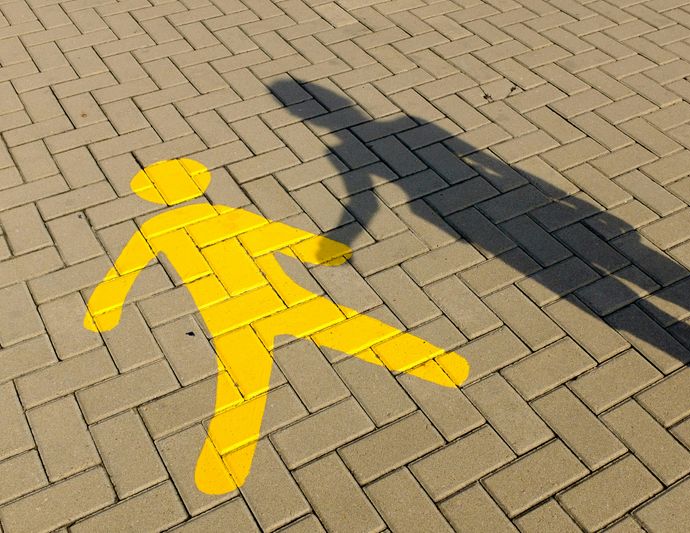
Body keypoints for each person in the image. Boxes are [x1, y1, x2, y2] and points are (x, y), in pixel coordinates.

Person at [83, 158, 469, 494]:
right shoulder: (222, 214)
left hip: (231, 311)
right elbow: (277, 237)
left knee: (242, 385)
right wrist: (325, 251)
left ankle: (223, 463)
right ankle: (436, 365)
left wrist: (105, 308)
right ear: (198, 182)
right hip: (277, 296)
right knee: (349, 329)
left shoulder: (158, 228)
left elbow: (123, 272)